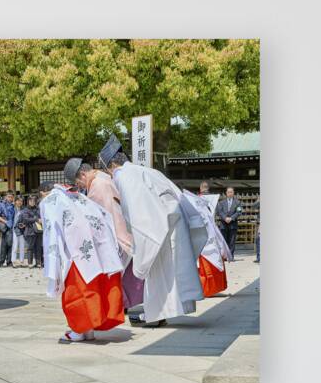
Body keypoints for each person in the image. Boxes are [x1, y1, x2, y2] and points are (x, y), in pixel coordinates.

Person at [100, 142, 205, 326]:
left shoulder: (124, 176)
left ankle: (156, 314)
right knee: (171, 272)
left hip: (158, 226)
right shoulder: (145, 171)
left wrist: (139, 241)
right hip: (172, 221)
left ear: (112, 166)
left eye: (108, 171)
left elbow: (137, 213)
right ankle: (162, 312)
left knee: (157, 273)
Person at [40, 167, 126, 344]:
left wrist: (53, 260)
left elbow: (51, 232)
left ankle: (79, 329)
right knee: (92, 288)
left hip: (73, 252)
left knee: (77, 292)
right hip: (96, 250)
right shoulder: (80, 197)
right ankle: (88, 330)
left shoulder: (52, 200)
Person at [66, 157, 144, 312]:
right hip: (127, 232)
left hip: (116, 235)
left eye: (77, 182)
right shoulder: (104, 177)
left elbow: (98, 217)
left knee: (113, 274)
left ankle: (117, 305)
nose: (79, 186)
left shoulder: (97, 186)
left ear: (82, 174)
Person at [214, 186, 241, 259]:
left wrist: (231, 218)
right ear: (226, 193)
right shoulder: (221, 202)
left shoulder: (237, 202)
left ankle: (231, 256)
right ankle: (224, 256)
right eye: (228, 192)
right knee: (224, 241)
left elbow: (239, 212)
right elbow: (219, 212)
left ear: (233, 193)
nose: (230, 193)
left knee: (232, 241)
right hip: (223, 224)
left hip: (233, 224)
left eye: (231, 192)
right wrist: (225, 218)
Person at [0, 192, 16, 266]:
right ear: (5, 197)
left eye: (11, 197)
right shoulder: (1, 204)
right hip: (4, 226)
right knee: (4, 244)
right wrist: (6, 222)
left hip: (12, 225)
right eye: (9, 196)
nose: (10, 198)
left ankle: (9, 261)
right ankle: (1, 261)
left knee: (10, 244)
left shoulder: (14, 205)